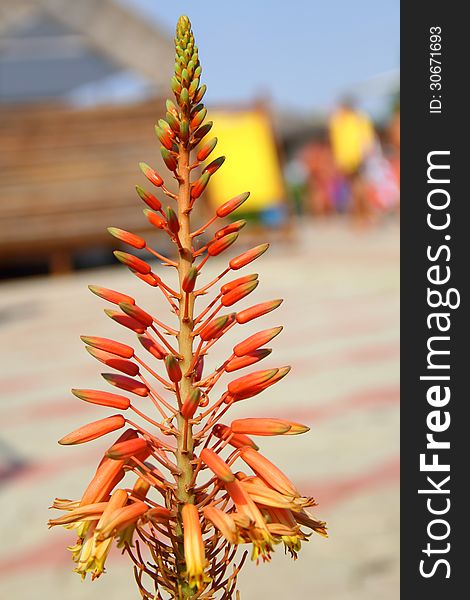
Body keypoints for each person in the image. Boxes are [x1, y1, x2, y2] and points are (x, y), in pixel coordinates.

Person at [329, 97, 375, 225]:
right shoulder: (342, 121)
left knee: (357, 189)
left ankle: (363, 216)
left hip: (356, 159)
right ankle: (361, 216)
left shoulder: (355, 119)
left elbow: (365, 140)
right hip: (349, 160)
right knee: (355, 189)